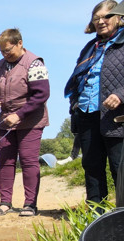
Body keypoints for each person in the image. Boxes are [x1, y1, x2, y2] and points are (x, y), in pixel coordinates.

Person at [64, 0, 124, 209]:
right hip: (87, 113)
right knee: (91, 166)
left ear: (119, 17)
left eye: (106, 16)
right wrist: (75, 104)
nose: (101, 21)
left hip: (116, 117)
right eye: (96, 18)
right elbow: (78, 78)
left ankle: (121, 216)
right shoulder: (90, 47)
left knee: (120, 167)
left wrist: (121, 95)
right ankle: (96, 215)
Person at [0, 28, 50, 217]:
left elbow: (42, 94)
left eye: (8, 50)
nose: (5, 54)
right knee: (5, 162)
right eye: (2, 51)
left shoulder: (34, 63)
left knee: (28, 161)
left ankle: (30, 204)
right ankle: (5, 202)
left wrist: (20, 114)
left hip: (30, 121)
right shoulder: (0, 65)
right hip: (5, 121)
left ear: (20, 43)